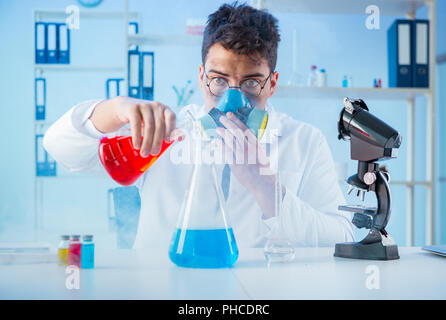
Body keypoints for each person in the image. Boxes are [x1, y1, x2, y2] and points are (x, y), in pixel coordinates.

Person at [44, 2, 354, 248]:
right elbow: (60, 147)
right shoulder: (166, 131)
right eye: (219, 80)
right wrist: (117, 108)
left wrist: (265, 185)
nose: (232, 101)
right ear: (201, 78)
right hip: (162, 287)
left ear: (272, 84)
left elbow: (343, 237)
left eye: (250, 82)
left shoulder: (303, 141)